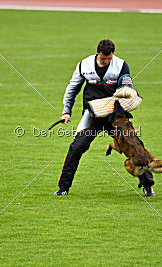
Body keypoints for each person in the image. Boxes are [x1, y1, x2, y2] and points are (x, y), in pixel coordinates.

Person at [53, 39, 155, 197]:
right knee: (76, 147)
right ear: (97, 53)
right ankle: (63, 188)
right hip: (92, 115)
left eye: (109, 59)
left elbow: (127, 87)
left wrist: (129, 93)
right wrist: (67, 111)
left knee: (135, 147)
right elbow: (72, 88)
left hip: (116, 117)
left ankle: (148, 184)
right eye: (103, 59)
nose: (107, 61)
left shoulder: (121, 65)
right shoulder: (84, 65)